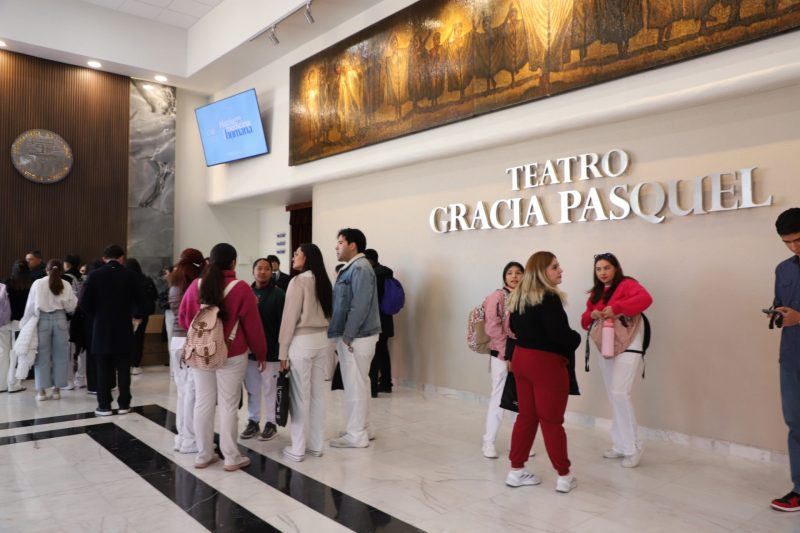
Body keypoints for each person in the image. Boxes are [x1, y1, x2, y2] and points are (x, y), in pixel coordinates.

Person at [179, 243, 266, 472]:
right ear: (233, 263)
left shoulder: (197, 285)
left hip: (202, 353)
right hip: (232, 353)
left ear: (210, 261)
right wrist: (261, 353)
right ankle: (231, 457)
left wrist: (204, 337)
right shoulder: (241, 288)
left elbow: (184, 319)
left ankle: (203, 454)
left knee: (203, 402)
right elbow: (253, 326)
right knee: (228, 405)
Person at [506, 251, 581, 493]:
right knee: (551, 421)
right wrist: (577, 338)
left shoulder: (518, 297)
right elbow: (559, 335)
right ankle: (564, 476)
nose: (560, 270)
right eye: (555, 267)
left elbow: (515, 330)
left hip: (522, 360)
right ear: (542, 272)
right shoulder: (548, 297)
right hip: (545, 365)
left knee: (526, 417)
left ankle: (516, 471)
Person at [580, 252, 653, 468]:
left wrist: (617, 308)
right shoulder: (595, 294)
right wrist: (592, 315)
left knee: (620, 393)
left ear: (615, 268)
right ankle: (620, 445)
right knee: (614, 396)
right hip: (607, 346)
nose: (602, 272)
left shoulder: (627, 284)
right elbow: (584, 321)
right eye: (598, 269)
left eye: (607, 268)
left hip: (629, 344)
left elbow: (646, 299)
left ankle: (634, 446)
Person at [279, 244, 334, 461]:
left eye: (297, 254)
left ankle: (298, 448)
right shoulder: (323, 281)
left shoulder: (298, 281)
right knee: (318, 395)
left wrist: (282, 351)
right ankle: (315, 445)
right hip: (322, 340)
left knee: (299, 396)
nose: (293, 257)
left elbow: (289, 318)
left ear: (307, 257)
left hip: (301, 341)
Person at [327, 228, 381, 448]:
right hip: (358, 335)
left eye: (340, 242)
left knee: (354, 385)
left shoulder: (360, 267)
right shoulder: (356, 267)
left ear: (352, 245)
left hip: (356, 336)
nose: (336, 246)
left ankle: (356, 434)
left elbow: (359, 305)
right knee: (360, 382)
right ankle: (364, 428)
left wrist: (348, 336)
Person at [79, 245, 143, 416]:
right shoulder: (130, 275)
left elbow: (83, 302)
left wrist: (96, 315)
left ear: (104, 258)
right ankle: (124, 404)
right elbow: (141, 301)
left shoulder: (94, 275)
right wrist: (134, 315)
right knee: (123, 368)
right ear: (122, 258)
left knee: (102, 367)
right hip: (123, 326)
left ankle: (104, 405)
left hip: (101, 327)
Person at [770, 208, 800, 511]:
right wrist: (778, 314)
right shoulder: (783, 270)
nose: (793, 247)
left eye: (798, 240)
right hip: (792, 356)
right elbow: (781, 304)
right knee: (795, 422)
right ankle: (799, 489)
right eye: (787, 242)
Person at [481, 261, 524, 459]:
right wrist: (507, 354)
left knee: (520, 400)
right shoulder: (497, 296)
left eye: (518, 273)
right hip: (501, 354)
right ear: (504, 277)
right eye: (510, 273)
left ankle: (518, 444)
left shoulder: (527, 296)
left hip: (522, 354)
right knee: (498, 397)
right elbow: (492, 327)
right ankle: (488, 442)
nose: (514, 276)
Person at [240, 258, 285, 442]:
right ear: (253, 271)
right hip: (250, 352)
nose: (263, 272)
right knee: (252, 389)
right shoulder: (246, 293)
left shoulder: (279, 294)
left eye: (267, 269)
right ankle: (253, 421)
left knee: (270, 389)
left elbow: (283, 324)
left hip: (271, 352)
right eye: (259, 268)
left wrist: (283, 352)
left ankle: (271, 423)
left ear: (271, 272)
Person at [21, 259, 78, 401]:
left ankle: (41, 392)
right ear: (61, 271)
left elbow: (30, 305)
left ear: (46, 270)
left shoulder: (38, 283)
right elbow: (71, 307)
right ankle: (56, 390)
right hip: (60, 320)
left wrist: (25, 323)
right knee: (61, 356)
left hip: (42, 320)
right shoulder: (65, 284)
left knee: (42, 356)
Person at [167, 249, 205, 454]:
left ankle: (181, 437)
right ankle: (190, 439)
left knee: (183, 392)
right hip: (190, 340)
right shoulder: (194, 286)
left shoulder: (174, 284)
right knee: (192, 393)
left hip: (176, 340)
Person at [363, 249, 395, 397]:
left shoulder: (372, 275)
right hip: (386, 319)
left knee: (374, 354)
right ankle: (386, 384)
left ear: (369, 260)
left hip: (374, 319)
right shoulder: (387, 273)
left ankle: (373, 388)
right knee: (383, 351)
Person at [1, 260, 31, 393]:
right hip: (21, 323)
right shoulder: (30, 285)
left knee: (3, 352)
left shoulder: (6, 283)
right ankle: (13, 383)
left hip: (4, 322)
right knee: (17, 354)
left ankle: (2, 384)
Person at [125, 258, 158, 375]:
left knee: (125, 339)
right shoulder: (146, 279)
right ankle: (136, 365)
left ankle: (125, 364)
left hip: (127, 314)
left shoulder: (126, 280)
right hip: (142, 315)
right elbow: (155, 296)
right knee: (138, 339)